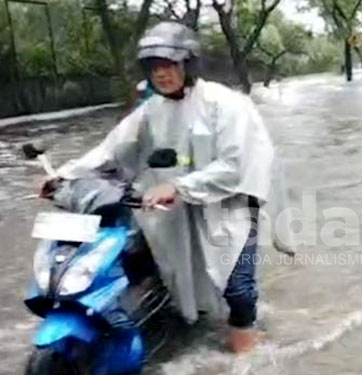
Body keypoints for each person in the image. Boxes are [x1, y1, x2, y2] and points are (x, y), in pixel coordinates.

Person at [42, 22, 287, 353]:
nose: (162, 74)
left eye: (169, 65)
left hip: (231, 205)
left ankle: (245, 368)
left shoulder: (226, 104)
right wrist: (64, 176)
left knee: (238, 288)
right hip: (176, 204)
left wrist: (179, 185)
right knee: (148, 263)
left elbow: (237, 166)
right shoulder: (151, 111)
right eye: (154, 67)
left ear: (188, 64)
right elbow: (112, 149)